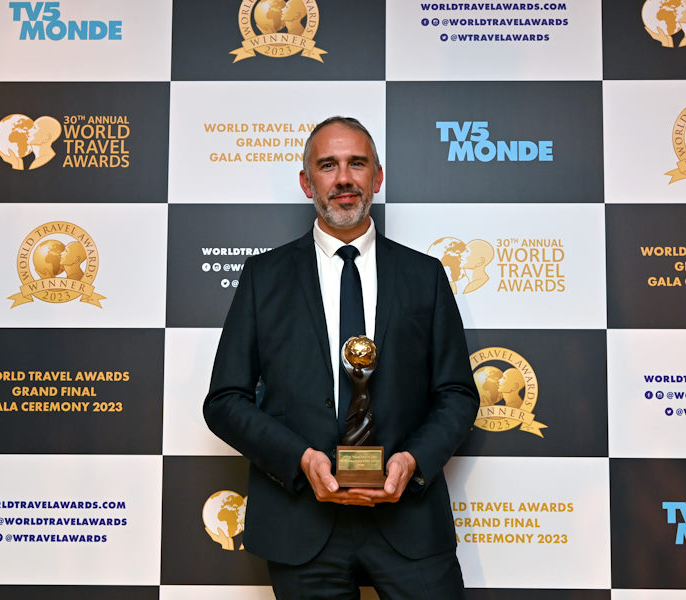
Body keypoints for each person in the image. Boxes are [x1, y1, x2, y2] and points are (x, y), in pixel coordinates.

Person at [203, 116, 479, 599]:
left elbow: (457, 393)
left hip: (409, 524)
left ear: (378, 177)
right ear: (307, 182)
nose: (344, 178)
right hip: (301, 524)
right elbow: (225, 400)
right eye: (328, 165)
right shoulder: (264, 277)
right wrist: (300, 460)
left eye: (357, 163)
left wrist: (413, 461)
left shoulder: (425, 276)